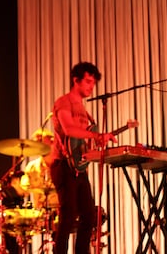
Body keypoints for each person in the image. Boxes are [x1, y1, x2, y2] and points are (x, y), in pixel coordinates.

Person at [50, 62, 117, 254]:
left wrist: (97, 141)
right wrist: (96, 136)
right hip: (63, 165)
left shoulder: (85, 111)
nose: (90, 87)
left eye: (93, 83)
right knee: (68, 215)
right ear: (76, 80)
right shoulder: (64, 102)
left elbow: (81, 140)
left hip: (79, 169)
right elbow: (70, 129)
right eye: (88, 82)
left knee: (89, 216)